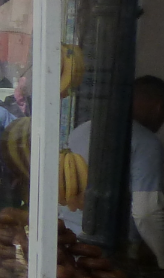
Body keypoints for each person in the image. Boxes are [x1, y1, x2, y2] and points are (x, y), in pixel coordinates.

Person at [64, 75, 164, 262]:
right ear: (159, 107)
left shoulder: (82, 130)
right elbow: (147, 212)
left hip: (67, 240)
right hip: (109, 253)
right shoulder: (147, 143)